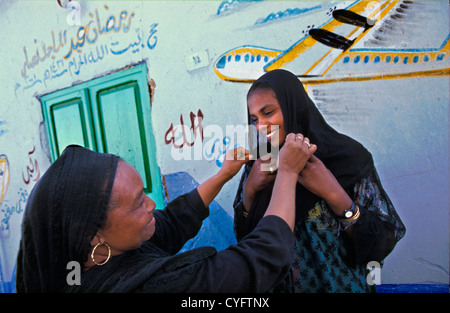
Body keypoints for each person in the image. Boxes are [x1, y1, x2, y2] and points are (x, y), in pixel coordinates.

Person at [16, 139, 314, 293]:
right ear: (94, 235)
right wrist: (287, 171)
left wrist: (223, 175)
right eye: (136, 204)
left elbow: (170, 222)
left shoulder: (88, 259)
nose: (150, 205)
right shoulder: (152, 286)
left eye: (144, 192)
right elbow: (260, 260)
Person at [233, 69, 406, 293]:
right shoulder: (260, 165)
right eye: (254, 118)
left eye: (269, 112)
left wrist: (334, 194)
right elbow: (246, 241)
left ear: (293, 107)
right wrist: (249, 192)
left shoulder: (348, 158)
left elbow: (382, 241)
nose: (260, 126)